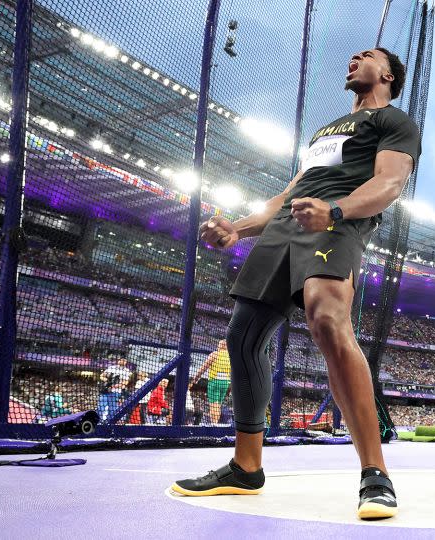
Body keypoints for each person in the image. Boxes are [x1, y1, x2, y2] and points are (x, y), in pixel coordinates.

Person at [172, 47, 421, 521]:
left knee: (327, 319)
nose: (352, 58)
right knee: (242, 337)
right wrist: (237, 229)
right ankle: (246, 468)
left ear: (387, 74)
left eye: (365, 56)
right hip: (288, 228)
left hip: (335, 223)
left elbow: (390, 183)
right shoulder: (326, 131)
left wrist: (338, 210)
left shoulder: (394, 121)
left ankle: (376, 474)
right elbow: (285, 196)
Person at [192, 340, 231, 425]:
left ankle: (214, 424)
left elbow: (204, 367)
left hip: (214, 382)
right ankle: (215, 423)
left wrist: (196, 378)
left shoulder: (215, 354)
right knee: (218, 405)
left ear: (221, 346)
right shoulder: (230, 357)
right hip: (225, 383)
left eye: (219, 345)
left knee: (213, 404)